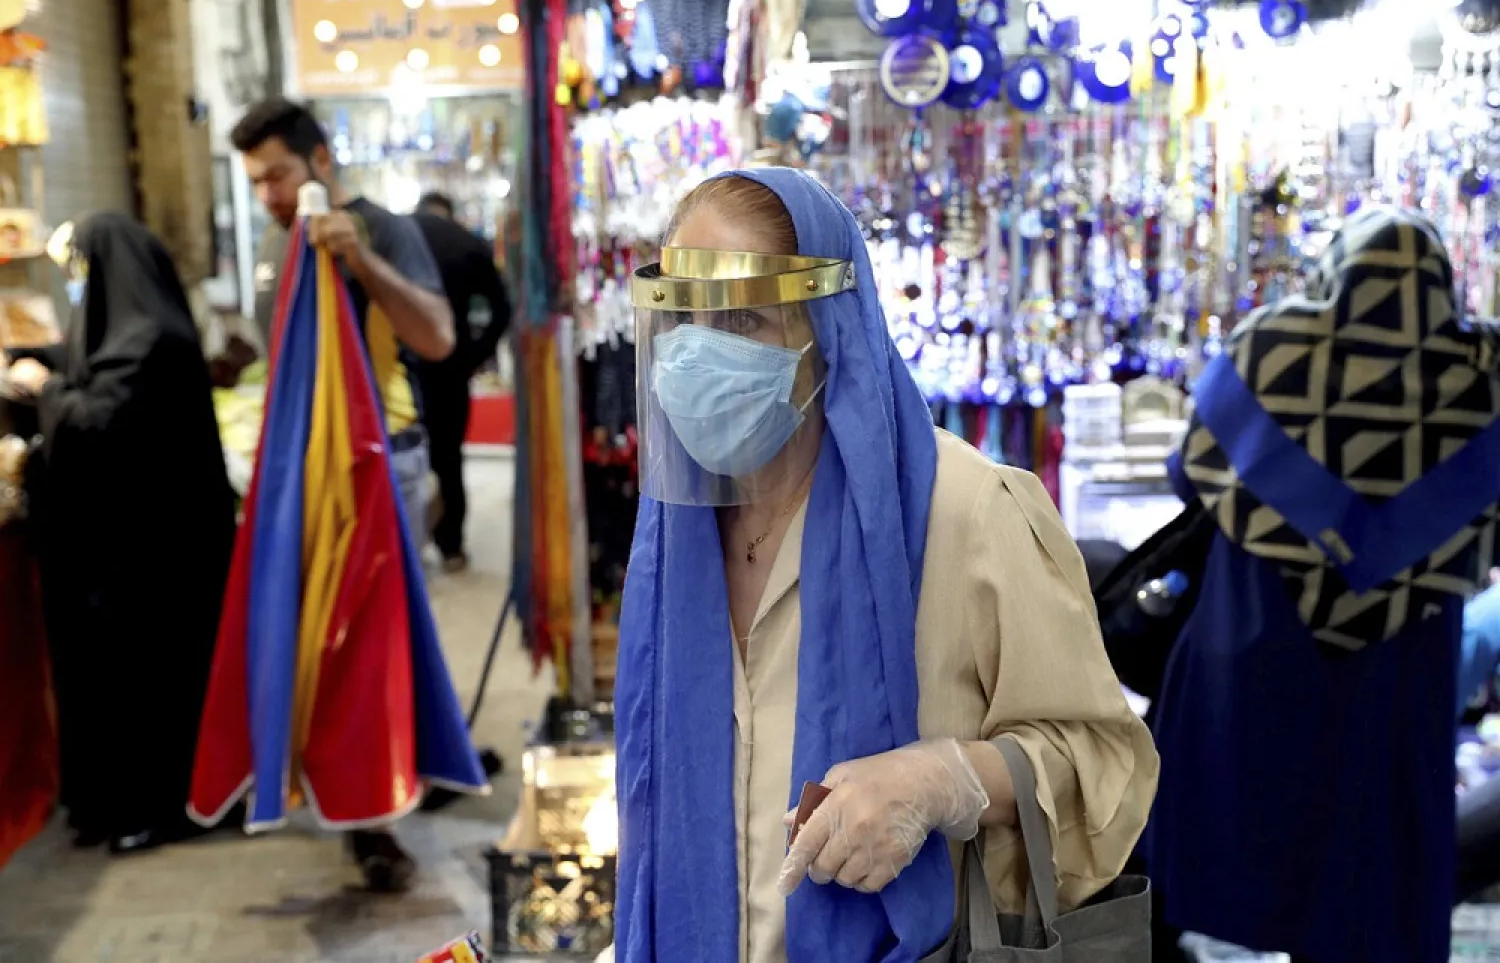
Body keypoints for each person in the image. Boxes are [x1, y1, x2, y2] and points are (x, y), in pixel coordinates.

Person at [612, 168, 1158, 963]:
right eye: (684, 323)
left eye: (746, 321)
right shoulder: (673, 541)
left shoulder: (967, 510)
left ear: (825, 330)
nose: (701, 355)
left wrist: (947, 780)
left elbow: (1106, 764)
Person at [1143, 208, 1500, 963]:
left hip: (1252, 649)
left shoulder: (1267, 347)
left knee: (1224, 844)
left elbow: (1190, 472)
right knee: (1369, 872)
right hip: (1397, 674)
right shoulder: (1482, 370)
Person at [230, 97, 454, 891]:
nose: (268, 194)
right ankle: (342, 787)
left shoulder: (383, 228)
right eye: (255, 181)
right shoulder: (272, 239)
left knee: (375, 643)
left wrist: (361, 260)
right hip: (298, 474)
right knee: (310, 639)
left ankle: (379, 816)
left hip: (382, 468)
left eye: (279, 175)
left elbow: (437, 335)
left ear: (321, 160)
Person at [5, 214, 236, 854]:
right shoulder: (127, 332)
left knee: (154, 685)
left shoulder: (156, 340)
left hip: (156, 557)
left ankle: (167, 806)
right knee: (110, 682)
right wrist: (28, 359)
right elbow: (85, 368)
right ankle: (112, 802)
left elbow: (101, 415)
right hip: (118, 553)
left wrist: (45, 387)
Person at [411, 190, 512, 572]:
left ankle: (408, 547)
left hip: (402, 368)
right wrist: (472, 357)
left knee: (401, 455)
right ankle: (451, 545)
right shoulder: (468, 243)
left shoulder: (394, 237)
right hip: (450, 367)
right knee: (448, 457)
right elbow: (501, 310)